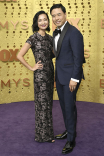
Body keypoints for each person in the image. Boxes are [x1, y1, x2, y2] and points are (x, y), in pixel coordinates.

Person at [50, 4, 85, 154]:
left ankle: (71, 139)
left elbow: (78, 59)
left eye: (58, 14)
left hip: (70, 78)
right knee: (64, 107)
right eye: (53, 15)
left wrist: (74, 79)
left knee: (69, 108)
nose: (56, 18)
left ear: (65, 14)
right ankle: (68, 130)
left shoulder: (74, 33)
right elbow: (58, 55)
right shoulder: (55, 32)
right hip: (60, 76)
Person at [17, 11, 55, 143]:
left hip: (50, 73)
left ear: (48, 22)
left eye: (45, 19)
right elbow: (19, 55)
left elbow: (54, 55)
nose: (43, 22)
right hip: (40, 76)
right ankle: (41, 135)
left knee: (48, 104)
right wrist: (31, 67)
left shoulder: (51, 38)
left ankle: (49, 134)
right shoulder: (33, 38)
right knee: (41, 105)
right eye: (40, 20)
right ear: (36, 23)